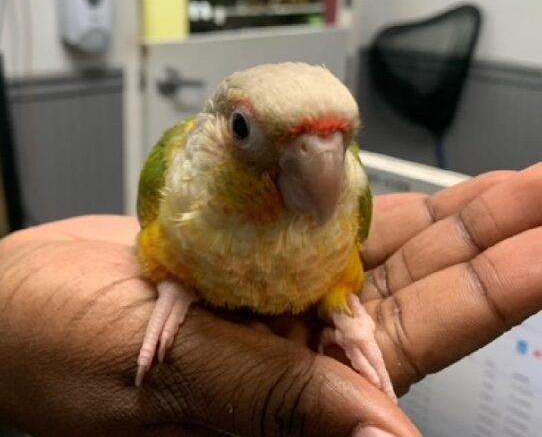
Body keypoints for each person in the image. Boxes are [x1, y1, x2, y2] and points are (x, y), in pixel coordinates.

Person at [1, 164, 541, 437]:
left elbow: (344, 265)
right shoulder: (173, 178)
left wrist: (342, 310)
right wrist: (172, 281)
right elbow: (154, 240)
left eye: (342, 141)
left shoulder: (345, 190)